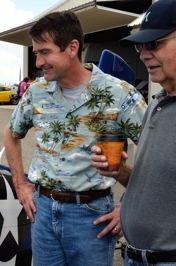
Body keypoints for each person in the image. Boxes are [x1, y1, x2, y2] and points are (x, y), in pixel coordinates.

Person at [3, 10, 147, 266]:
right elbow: (11, 132)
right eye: (36, 53)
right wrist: (20, 184)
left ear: (72, 47)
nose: (38, 62)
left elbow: (154, 153)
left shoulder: (119, 94)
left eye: (45, 52)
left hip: (91, 217)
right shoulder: (36, 91)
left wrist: (128, 206)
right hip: (43, 212)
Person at [91, 0, 176, 265]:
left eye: (154, 44)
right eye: (141, 46)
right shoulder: (157, 105)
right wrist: (120, 173)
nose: (143, 55)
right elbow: (158, 186)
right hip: (137, 258)